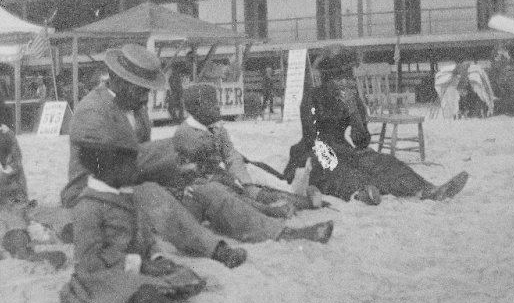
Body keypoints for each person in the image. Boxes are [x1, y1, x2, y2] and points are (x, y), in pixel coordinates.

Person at [62, 45, 331, 269]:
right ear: (117, 80)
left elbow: (140, 161)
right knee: (152, 194)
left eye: (147, 90)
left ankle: (279, 232)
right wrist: (176, 149)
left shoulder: (135, 107)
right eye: (141, 89)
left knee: (208, 188)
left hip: (129, 182)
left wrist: (182, 172)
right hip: (92, 192)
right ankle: (216, 250)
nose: (146, 98)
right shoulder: (92, 112)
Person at [59, 118, 209, 303]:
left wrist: (154, 258)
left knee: (180, 275)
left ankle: (155, 286)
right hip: (99, 274)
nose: (135, 170)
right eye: (129, 166)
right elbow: (89, 258)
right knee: (142, 291)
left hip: (131, 266)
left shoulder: (127, 196)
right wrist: (140, 265)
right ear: (106, 170)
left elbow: (143, 235)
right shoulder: (88, 206)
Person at [283, 46, 469, 204]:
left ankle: (427, 190)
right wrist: (342, 153)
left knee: (384, 162)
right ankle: (363, 193)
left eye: (349, 78)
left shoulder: (351, 97)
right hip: (314, 152)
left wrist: (354, 114)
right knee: (338, 169)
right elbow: (312, 138)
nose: (346, 83)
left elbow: (362, 142)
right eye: (340, 79)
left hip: (344, 149)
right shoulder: (312, 99)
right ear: (327, 79)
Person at [173, 83, 325, 218]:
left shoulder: (217, 128)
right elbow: (192, 171)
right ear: (198, 108)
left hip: (222, 175)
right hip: (204, 184)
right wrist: (227, 179)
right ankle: (271, 210)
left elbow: (230, 155)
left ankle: (306, 202)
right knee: (236, 197)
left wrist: (243, 180)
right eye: (213, 104)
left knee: (254, 188)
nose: (218, 107)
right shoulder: (186, 133)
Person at [0, 90, 68, 268]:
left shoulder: (7, 134)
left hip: (13, 199)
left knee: (53, 214)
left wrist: (22, 201)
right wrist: (0, 159)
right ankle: (24, 253)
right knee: (11, 224)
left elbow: (19, 172)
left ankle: (76, 234)